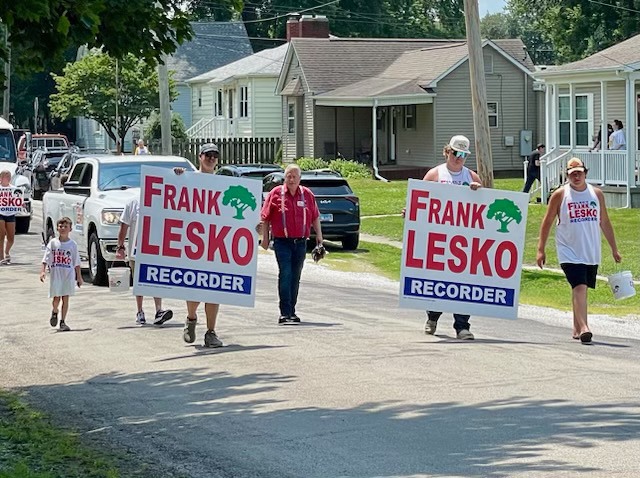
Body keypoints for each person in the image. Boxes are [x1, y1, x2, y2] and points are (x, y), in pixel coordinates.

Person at [536, 157, 621, 344]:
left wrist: (614, 248)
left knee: (581, 289)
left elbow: (604, 222)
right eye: (572, 174)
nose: (576, 176)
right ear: (567, 175)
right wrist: (540, 249)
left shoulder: (596, 194)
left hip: (590, 250)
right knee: (579, 286)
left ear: (585, 173)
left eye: (579, 173)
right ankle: (584, 327)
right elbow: (547, 222)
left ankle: (576, 328)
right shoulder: (560, 195)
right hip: (568, 250)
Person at [421, 135, 483, 340]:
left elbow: (484, 209)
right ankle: (433, 316)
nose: (459, 158)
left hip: (464, 241)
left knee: (464, 282)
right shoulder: (435, 174)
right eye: (456, 153)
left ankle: (462, 326)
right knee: (440, 281)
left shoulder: (472, 177)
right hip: (439, 239)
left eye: (464, 154)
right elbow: (420, 200)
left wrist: (477, 192)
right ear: (447, 151)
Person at [174, 143, 224, 347]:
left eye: (215, 155)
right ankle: (191, 318)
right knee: (194, 289)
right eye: (208, 154)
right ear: (200, 156)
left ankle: (211, 332)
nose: (211, 158)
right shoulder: (188, 178)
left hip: (215, 245)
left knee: (213, 290)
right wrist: (176, 177)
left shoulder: (223, 184)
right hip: (192, 244)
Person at [260, 163, 323, 324]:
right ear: (284, 177)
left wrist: (320, 238)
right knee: (286, 273)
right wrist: (265, 239)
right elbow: (265, 218)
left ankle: (292, 312)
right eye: (288, 176)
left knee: (296, 276)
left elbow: (315, 216)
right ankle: (284, 312)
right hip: (282, 242)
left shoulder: (307, 194)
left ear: (300, 178)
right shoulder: (276, 194)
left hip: (301, 242)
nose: (291, 179)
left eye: (294, 176)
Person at [115, 197, 173, 326]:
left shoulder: (160, 200)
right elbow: (124, 225)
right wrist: (120, 247)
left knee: (155, 280)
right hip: (136, 251)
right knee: (138, 281)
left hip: (154, 249)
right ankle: (140, 311)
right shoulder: (133, 203)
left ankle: (159, 310)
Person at [39, 217, 83, 331]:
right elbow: (46, 258)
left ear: (70, 229)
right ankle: (54, 312)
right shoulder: (53, 243)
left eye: (65, 227)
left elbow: (76, 262)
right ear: (57, 228)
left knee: (66, 298)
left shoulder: (72, 245)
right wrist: (43, 271)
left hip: (68, 275)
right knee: (56, 299)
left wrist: (79, 277)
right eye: (60, 226)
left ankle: (63, 321)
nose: (63, 229)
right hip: (56, 275)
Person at [0, 170, 16, 265]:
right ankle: (1, 257)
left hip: (10, 213)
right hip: (0, 213)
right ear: (1, 178)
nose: (7, 178)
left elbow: (18, 199)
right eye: (5, 176)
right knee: (1, 234)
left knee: (11, 238)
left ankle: (7, 252)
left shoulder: (14, 189)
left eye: (9, 176)